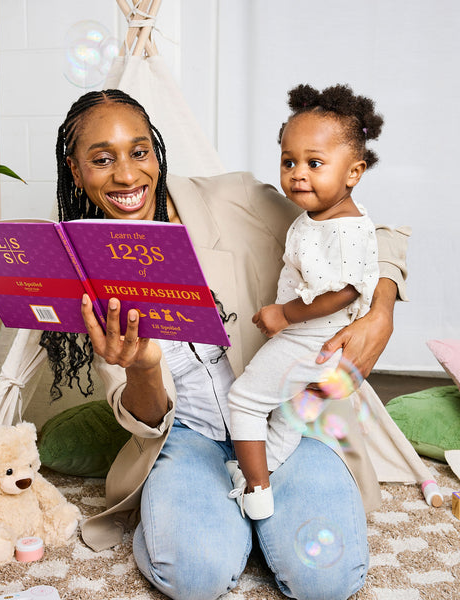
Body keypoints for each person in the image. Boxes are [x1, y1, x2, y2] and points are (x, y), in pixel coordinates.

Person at [39, 88, 409, 600]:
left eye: (140, 152)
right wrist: (145, 367)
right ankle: (221, 522)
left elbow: (375, 233)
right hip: (187, 434)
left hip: (286, 417)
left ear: (157, 152)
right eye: (102, 160)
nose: (126, 176)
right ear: (76, 171)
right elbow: (144, 417)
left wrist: (381, 312)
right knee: (192, 579)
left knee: (327, 582)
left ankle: (252, 516)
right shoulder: (79, 262)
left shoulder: (233, 198)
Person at [226, 84, 383, 521]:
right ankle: (265, 469)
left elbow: (347, 291)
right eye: (289, 161)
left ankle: (255, 490)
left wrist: (283, 314)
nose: (298, 173)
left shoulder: (346, 228)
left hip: (312, 337)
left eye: (315, 163)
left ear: (353, 172)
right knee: (293, 414)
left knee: (245, 401)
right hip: (316, 341)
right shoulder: (321, 217)